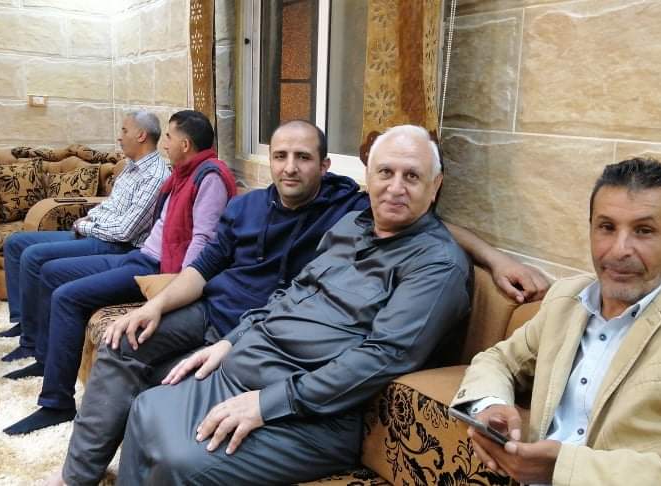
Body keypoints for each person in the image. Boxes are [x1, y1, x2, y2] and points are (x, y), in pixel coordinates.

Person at [44, 121, 547, 485]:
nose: (395, 188)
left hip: (311, 410)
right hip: (244, 360)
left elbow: (384, 356)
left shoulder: (434, 264)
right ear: (368, 178)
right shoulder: (351, 224)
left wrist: (268, 403)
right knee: (147, 408)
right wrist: (231, 342)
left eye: (412, 177)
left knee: (180, 460)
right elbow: (291, 292)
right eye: (385, 173)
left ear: (435, 187)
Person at [451, 158, 661, 485]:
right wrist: (490, 406)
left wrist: (564, 469)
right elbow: (499, 360)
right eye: (606, 227)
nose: (619, 250)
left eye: (644, 231)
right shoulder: (567, 299)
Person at [1, 111, 236, 435]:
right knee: (52, 272)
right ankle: (44, 357)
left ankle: (57, 404)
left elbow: (203, 239)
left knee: (67, 297)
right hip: (140, 256)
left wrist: (178, 288)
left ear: (185, 144)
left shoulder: (209, 177)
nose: (164, 144)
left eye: (168, 137)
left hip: (155, 270)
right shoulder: (182, 173)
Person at [0, 111, 170, 362]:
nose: (119, 137)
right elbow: (109, 205)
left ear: (141, 135)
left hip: (115, 245)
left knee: (34, 256)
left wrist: (87, 227)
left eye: (124, 131)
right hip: (97, 233)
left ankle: (31, 342)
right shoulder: (130, 167)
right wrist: (89, 219)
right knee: (16, 243)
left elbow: (124, 232)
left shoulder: (155, 175)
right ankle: (25, 321)